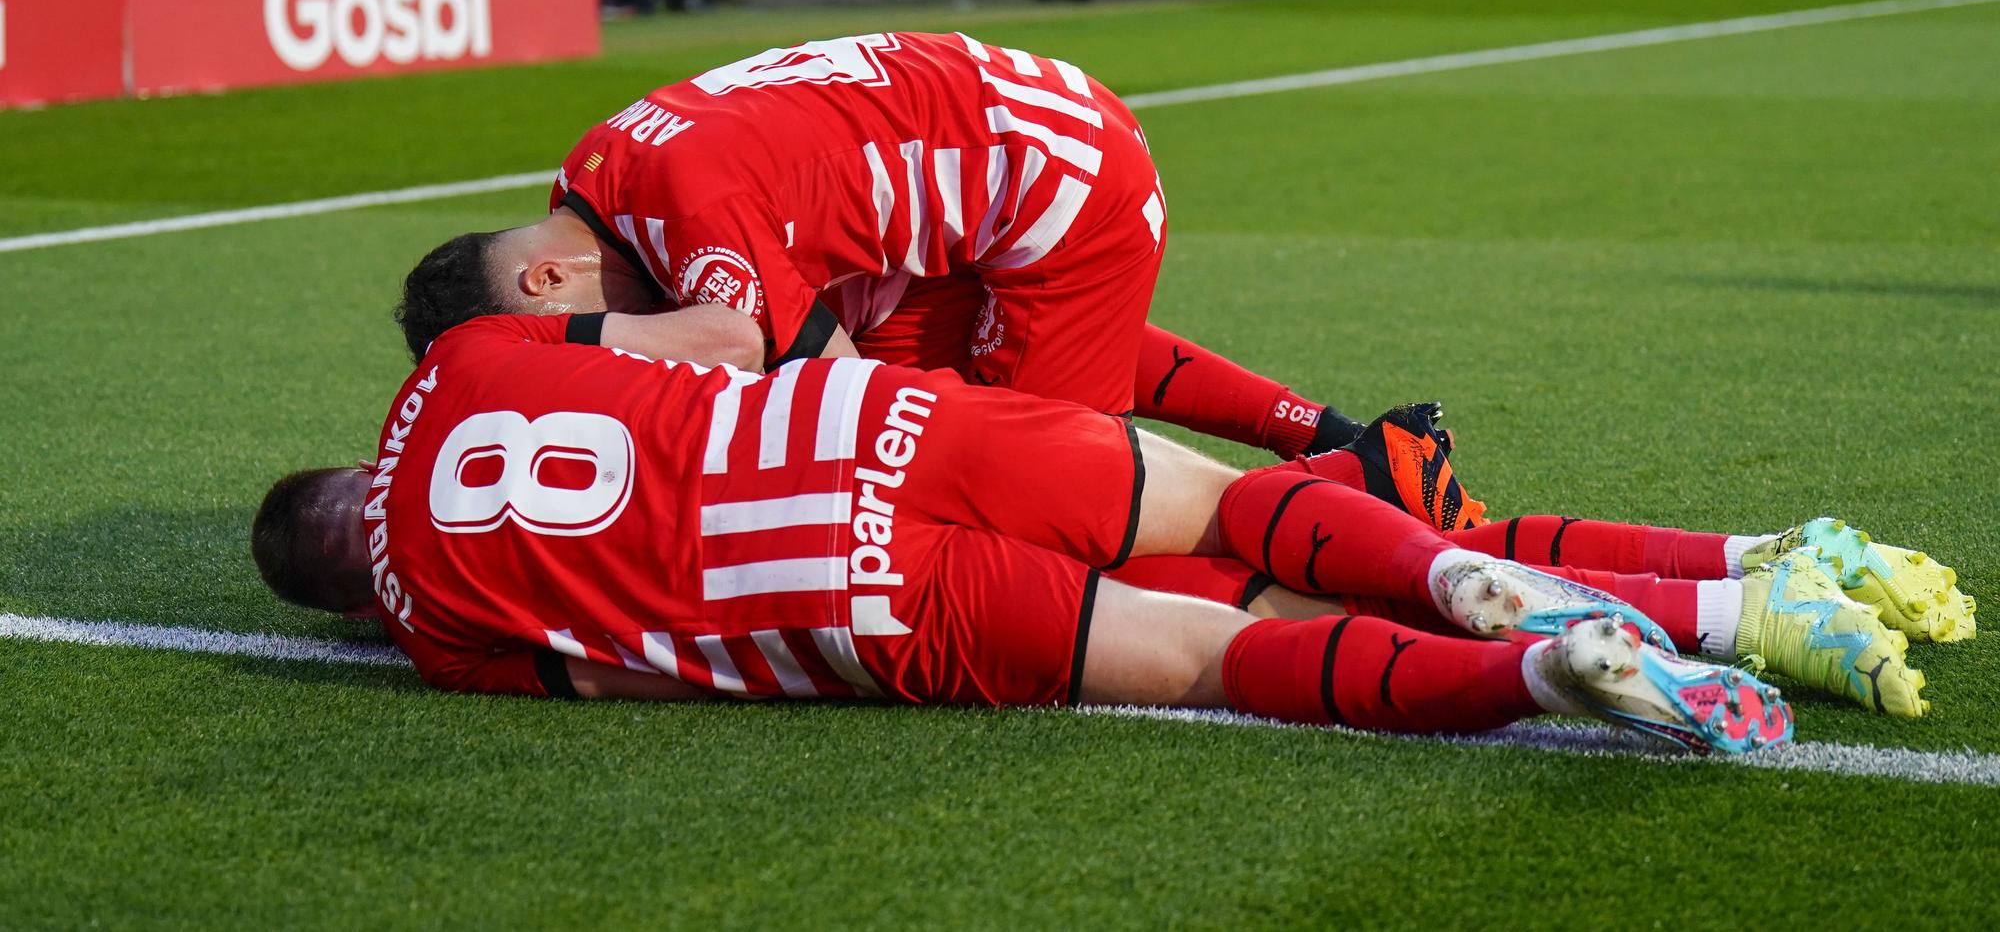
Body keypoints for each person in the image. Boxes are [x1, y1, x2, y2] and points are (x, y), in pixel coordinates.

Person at [257, 310, 1939, 743]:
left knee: (1213, 650)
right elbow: (712, 343)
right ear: (352, 463)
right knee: (1227, 502)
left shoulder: (433, 635)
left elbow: (633, 684)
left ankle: (1536, 670)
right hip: (864, 422)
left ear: (343, 583)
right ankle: (1472, 570)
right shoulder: (469, 357)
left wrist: (778, 659)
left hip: (828, 589)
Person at [392, 32, 1485, 544]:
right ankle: (1351, 440)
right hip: (1017, 142)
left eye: (543, 338)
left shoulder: (674, 203)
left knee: (1057, 495)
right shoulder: (595, 173)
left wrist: (582, 354)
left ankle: (1352, 495)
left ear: (546, 277)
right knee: (974, 366)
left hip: (1056, 185)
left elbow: (758, 356)